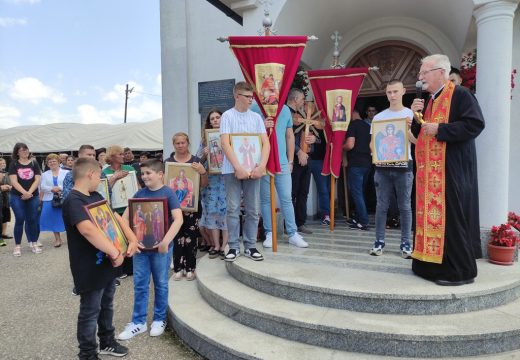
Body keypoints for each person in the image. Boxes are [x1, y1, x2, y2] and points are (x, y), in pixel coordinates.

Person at [411, 54, 485, 286]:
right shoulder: (430, 100)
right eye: (421, 73)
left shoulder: (461, 95)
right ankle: (429, 266)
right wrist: (415, 114)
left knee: (452, 220)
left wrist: (442, 129)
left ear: (441, 72)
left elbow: (475, 124)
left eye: (425, 72)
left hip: (452, 170)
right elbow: (422, 132)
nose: (420, 77)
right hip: (431, 174)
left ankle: (460, 272)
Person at [62, 157, 138, 359]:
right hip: (89, 267)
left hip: (106, 265)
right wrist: (115, 253)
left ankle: (107, 341)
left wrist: (132, 239)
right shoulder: (73, 200)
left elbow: (115, 217)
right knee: (90, 310)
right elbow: (87, 230)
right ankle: (87, 353)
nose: (100, 179)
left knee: (107, 304)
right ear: (90, 174)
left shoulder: (95, 195)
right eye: (99, 175)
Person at [117, 159, 183, 340]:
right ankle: (138, 322)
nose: (144, 176)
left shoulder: (168, 193)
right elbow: (124, 219)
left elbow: (178, 219)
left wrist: (165, 241)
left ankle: (159, 319)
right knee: (140, 284)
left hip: (161, 249)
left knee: (161, 283)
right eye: (143, 173)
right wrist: (132, 240)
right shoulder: (139, 194)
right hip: (141, 249)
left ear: (160, 174)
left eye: (148, 173)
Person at [220, 81, 270, 262]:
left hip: (254, 168)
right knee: (233, 208)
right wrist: (238, 167)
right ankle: (233, 246)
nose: (251, 100)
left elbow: (266, 143)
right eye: (248, 97)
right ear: (237, 96)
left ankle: (250, 246)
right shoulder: (227, 116)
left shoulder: (256, 118)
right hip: (232, 169)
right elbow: (225, 143)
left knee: (253, 209)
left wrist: (262, 166)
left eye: (252, 96)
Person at [251, 101, 308, 248]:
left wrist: (290, 161)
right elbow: (248, 135)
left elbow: (289, 136)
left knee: (286, 198)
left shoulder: (284, 109)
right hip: (262, 160)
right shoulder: (255, 108)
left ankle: (292, 233)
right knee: (266, 200)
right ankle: (269, 233)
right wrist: (261, 126)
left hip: (282, 161)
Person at [369, 80, 415, 259]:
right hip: (382, 167)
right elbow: (373, 143)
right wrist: (377, 153)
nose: (392, 95)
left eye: (396, 91)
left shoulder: (411, 114)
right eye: (389, 92)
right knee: (381, 206)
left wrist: (409, 130)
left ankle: (406, 244)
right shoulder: (379, 117)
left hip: (404, 167)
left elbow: (418, 142)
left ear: (403, 91)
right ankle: (379, 242)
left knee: (405, 207)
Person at [165, 132, 208, 280]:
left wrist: (203, 173)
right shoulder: (168, 163)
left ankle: (190, 267)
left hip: (192, 207)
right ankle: (178, 268)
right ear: (174, 145)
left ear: (187, 143)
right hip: (174, 208)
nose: (180, 145)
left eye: (183, 142)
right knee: (176, 237)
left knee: (191, 237)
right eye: (178, 143)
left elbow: (203, 185)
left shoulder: (196, 161)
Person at [197, 109, 229, 259]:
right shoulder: (204, 140)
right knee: (212, 212)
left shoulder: (229, 136)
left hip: (226, 180)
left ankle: (225, 245)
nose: (215, 120)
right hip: (211, 181)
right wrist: (205, 153)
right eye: (212, 119)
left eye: (218, 117)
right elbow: (197, 163)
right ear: (209, 122)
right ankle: (215, 245)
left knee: (225, 212)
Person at [103, 145, 138, 279]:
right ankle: (120, 269)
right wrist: (114, 178)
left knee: (132, 236)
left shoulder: (129, 169)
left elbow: (136, 187)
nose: (124, 156)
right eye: (120, 154)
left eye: (124, 154)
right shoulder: (105, 172)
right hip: (115, 210)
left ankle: (132, 267)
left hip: (130, 207)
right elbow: (104, 191)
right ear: (112, 156)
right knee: (118, 238)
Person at [288, 89, 319, 230]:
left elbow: (316, 135)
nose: (304, 102)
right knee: (292, 193)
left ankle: (300, 222)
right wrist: (298, 151)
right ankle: (291, 224)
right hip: (293, 159)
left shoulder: (305, 114)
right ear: (295, 99)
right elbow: (285, 137)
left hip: (308, 157)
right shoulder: (287, 113)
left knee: (303, 192)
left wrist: (315, 139)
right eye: (302, 99)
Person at [8, 143, 41, 256]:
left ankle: (34, 243)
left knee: (32, 219)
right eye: (22, 150)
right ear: (17, 152)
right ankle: (17, 246)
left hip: (33, 195)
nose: (25, 152)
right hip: (17, 195)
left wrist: (29, 193)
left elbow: (37, 179)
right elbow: (14, 181)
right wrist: (24, 193)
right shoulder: (14, 164)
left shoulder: (34, 163)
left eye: (26, 149)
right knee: (20, 219)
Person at [344, 108, 371, 230]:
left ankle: (364, 221)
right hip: (367, 163)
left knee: (357, 193)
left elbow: (350, 144)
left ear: (352, 112)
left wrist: (340, 147)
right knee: (361, 192)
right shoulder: (367, 126)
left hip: (356, 163)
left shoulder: (353, 125)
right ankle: (359, 217)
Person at [39, 153, 69, 247]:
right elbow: (42, 187)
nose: (52, 163)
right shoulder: (44, 174)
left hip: (64, 198)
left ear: (59, 162)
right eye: (50, 161)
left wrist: (59, 188)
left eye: (54, 161)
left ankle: (71, 237)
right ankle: (57, 239)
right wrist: (52, 189)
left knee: (66, 218)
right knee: (54, 219)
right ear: (47, 164)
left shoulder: (66, 172)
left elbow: (68, 184)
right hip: (49, 198)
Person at [0, 158, 13, 244]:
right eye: (1, 163)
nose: (3, 164)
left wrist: (9, 187)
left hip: (6, 198)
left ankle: (3, 233)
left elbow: (12, 184)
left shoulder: (7, 174)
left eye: (4, 163)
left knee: (5, 216)